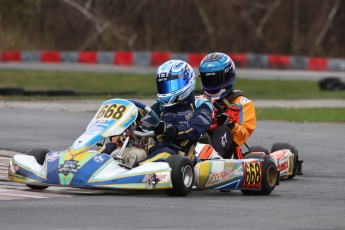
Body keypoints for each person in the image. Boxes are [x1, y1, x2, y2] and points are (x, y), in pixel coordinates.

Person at [138, 60, 213, 165]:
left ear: (188, 81)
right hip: (157, 150)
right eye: (164, 86)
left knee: (164, 153)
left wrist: (171, 129)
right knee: (118, 147)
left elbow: (195, 128)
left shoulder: (201, 104)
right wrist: (135, 123)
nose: (167, 90)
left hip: (182, 154)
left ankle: (132, 171)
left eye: (172, 85)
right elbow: (146, 123)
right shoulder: (160, 105)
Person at [199, 52, 256, 158]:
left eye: (216, 79)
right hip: (199, 145)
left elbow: (242, 135)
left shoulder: (243, 104)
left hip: (226, 152)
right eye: (208, 80)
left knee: (223, 130)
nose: (212, 84)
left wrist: (230, 125)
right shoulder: (199, 102)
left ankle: (211, 159)